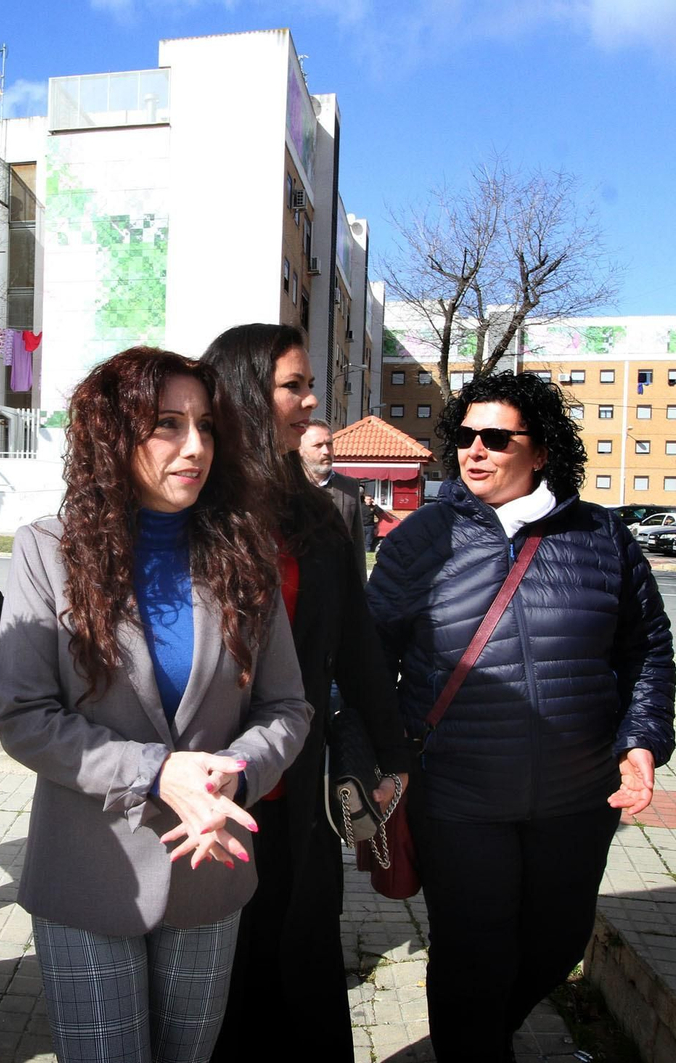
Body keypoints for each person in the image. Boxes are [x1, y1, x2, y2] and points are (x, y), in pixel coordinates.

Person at [0, 347, 311, 1063]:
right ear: (113, 434)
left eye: (205, 425)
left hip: (210, 868)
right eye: (167, 424)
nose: (194, 446)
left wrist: (237, 769)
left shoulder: (245, 553)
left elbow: (288, 706)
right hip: (88, 871)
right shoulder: (49, 551)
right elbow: (23, 716)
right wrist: (154, 771)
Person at [366, 370, 676, 1061]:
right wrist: (375, 761)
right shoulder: (420, 541)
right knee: (472, 951)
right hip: (458, 795)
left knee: (559, 939)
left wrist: (643, 741)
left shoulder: (602, 535)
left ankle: (480, 1034)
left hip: (577, 794)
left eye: (496, 437)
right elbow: (367, 661)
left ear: (540, 452)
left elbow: (647, 647)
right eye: (465, 436)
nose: (474, 450)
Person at [200, 324, 411, 1063]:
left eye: (308, 384)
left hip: (300, 790)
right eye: (294, 385)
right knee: (218, 985)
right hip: (204, 797)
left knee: (302, 966)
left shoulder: (317, 515)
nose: (312, 400)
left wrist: (392, 753)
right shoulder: (195, 510)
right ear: (251, 394)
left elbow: (354, 643)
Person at [297, 417, 367, 578]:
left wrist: (361, 588)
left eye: (329, 444)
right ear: (300, 449)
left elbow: (357, 543)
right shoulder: (286, 485)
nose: (326, 451)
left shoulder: (349, 486)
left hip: (337, 582)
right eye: (318, 445)